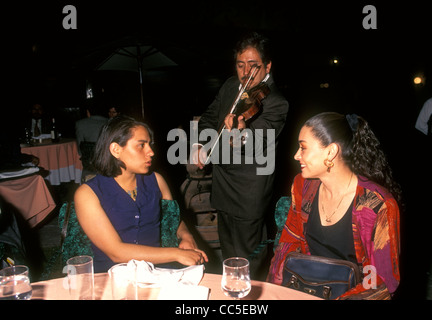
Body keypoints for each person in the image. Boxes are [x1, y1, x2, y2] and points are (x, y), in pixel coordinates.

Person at [267, 112, 401, 299]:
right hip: (305, 287)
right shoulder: (303, 186)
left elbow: (381, 281)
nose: (296, 155)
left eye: (303, 148)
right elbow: (290, 240)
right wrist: (274, 290)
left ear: (330, 152)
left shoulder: (376, 205)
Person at [191, 32, 289, 279]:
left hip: (248, 192)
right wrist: (201, 144)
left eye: (253, 65)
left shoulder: (276, 102)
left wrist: (242, 133)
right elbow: (208, 119)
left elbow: (259, 142)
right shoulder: (229, 87)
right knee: (228, 256)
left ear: (267, 66)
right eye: (240, 64)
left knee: (249, 260)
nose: (246, 72)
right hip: (223, 187)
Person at [74, 115, 208, 272]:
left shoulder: (157, 181)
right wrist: (176, 254)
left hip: (158, 271)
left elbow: (172, 218)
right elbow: (116, 252)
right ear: (116, 149)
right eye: (141, 145)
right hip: (111, 274)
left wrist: (186, 235)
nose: (151, 152)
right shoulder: (87, 194)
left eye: (150, 145)